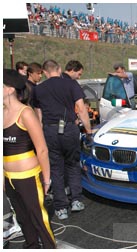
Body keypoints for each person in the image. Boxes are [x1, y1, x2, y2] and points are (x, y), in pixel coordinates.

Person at [33, 60, 93, 220]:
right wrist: (88, 131)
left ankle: (60, 208)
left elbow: (38, 115)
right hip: (69, 128)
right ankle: (76, 200)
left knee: (56, 168)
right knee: (73, 164)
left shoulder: (38, 89)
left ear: (45, 72)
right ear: (59, 69)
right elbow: (81, 109)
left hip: (50, 130)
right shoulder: (71, 84)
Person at [3, 69, 56, 248]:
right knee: (23, 218)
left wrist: (46, 179)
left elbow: (42, 149)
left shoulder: (25, 112)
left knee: (38, 218)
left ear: (9, 89)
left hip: (29, 176)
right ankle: (32, 246)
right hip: (9, 178)